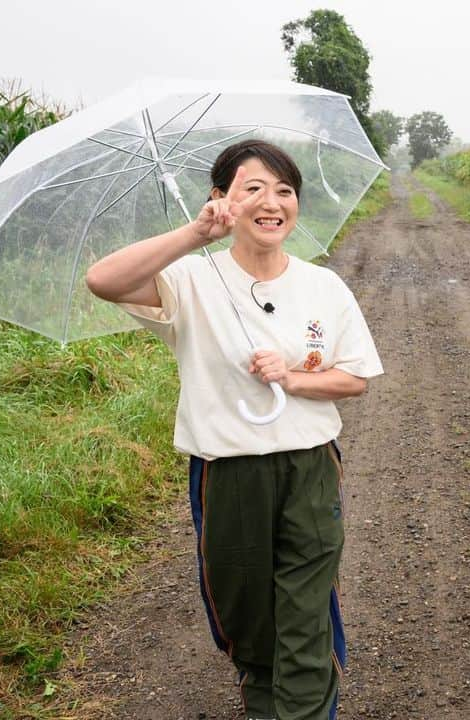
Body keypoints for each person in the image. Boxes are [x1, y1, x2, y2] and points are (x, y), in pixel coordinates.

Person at [86, 139, 383, 720]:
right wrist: (195, 235)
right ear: (220, 200)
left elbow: (353, 379)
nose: (272, 203)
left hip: (309, 467)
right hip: (228, 473)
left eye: (285, 190)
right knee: (249, 620)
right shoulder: (191, 280)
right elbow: (103, 280)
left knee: (305, 613)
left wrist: (294, 378)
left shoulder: (324, 286)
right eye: (253, 189)